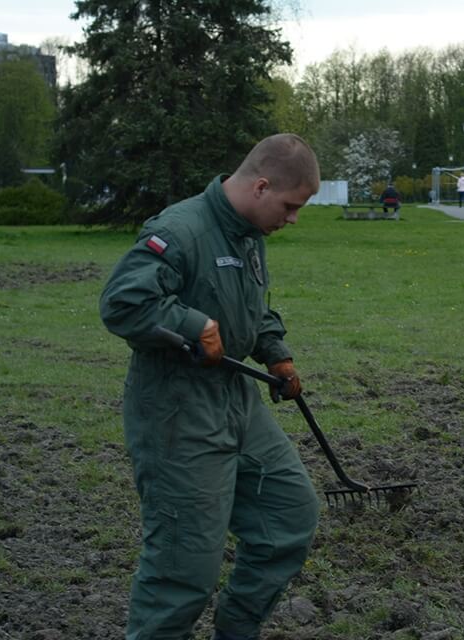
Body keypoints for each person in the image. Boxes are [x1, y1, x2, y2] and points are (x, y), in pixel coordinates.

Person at [99, 133, 322, 640]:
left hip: (237, 400)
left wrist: (277, 353)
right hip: (178, 410)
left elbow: (254, 307)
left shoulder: (248, 234)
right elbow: (121, 304)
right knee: (184, 569)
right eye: (290, 206)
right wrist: (192, 323)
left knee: (288, 514)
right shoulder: (180, 230)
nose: (293, 219)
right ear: (261, 186)